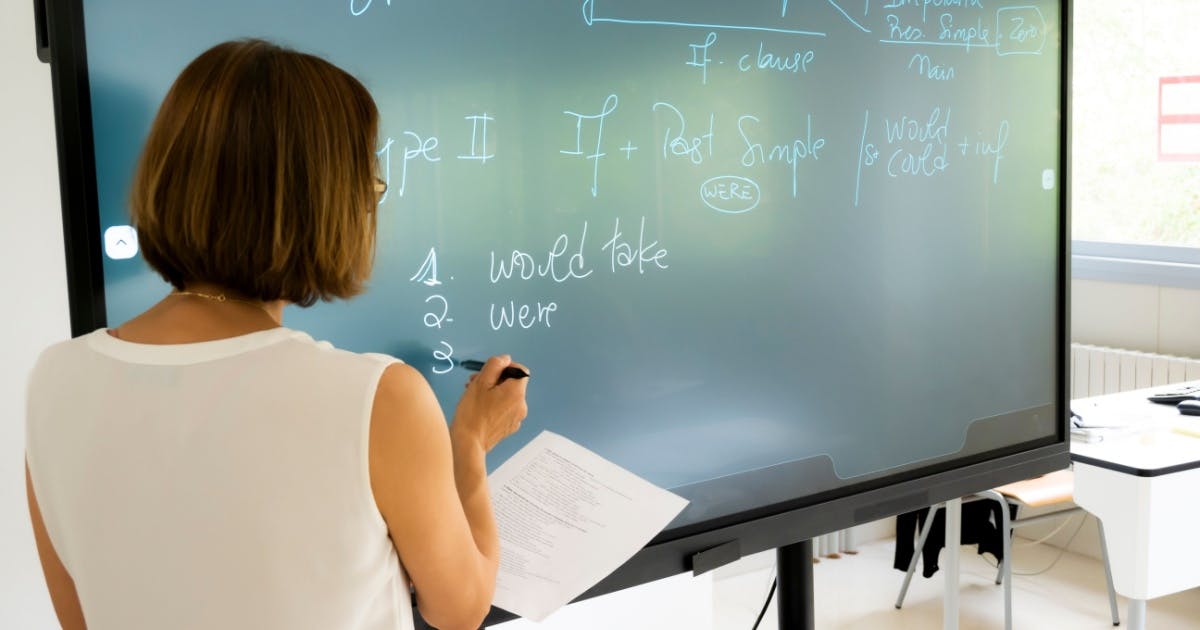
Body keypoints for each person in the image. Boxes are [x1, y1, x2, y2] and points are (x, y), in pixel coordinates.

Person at [25, 39, 527, 630]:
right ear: (327, 206)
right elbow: (460, 609)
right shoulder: (379, 398)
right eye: (369, 188)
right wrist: (468, 446)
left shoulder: (55, 377)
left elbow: (79, 618)